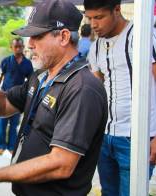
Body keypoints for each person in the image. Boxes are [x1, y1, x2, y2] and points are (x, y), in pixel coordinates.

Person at [0, 1, 108, 195]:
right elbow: (3, 104)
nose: (30, 44)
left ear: (63, 36)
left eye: (37, 36)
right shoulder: (41, 75)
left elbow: (61, 163)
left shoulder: (82, 88)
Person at [84, 0, 156, 195]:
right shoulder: (96, 47)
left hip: (137, 138)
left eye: (99, 17)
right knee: (108, 192)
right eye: (89, 18)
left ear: (117, 9)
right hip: (105, 137)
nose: (93, 25)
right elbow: (96, 90)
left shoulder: (142, 36)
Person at [0, 38, 33, 154]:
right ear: (11, 47)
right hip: (4, 96)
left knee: (14, 125)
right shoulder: (6, 61)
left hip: (18, 99)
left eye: (20, 47)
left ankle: (11, 146)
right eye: (16, 46)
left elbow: (31, 80)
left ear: (23, 47)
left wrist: (27, 97)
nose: (18, 49)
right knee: (2, 123)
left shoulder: (27, 64)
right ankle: (1, 145)